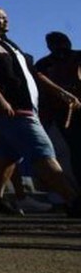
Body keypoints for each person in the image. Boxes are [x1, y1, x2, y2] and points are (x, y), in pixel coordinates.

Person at [0, 7, 81, 217]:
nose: (6, 21)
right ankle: (72, 199)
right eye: (1, 18)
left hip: (25, 108)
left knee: (7, 154)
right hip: (13, 111)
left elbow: (33, 74)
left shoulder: (9, 45)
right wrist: (0, 100)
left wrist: (61, 92)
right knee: (42, 151)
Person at [35, 32, 81, 190]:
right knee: (73, 152)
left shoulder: (43, 64)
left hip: (60, 113)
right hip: (61, 113)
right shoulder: (44, 65)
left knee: (73, 152)